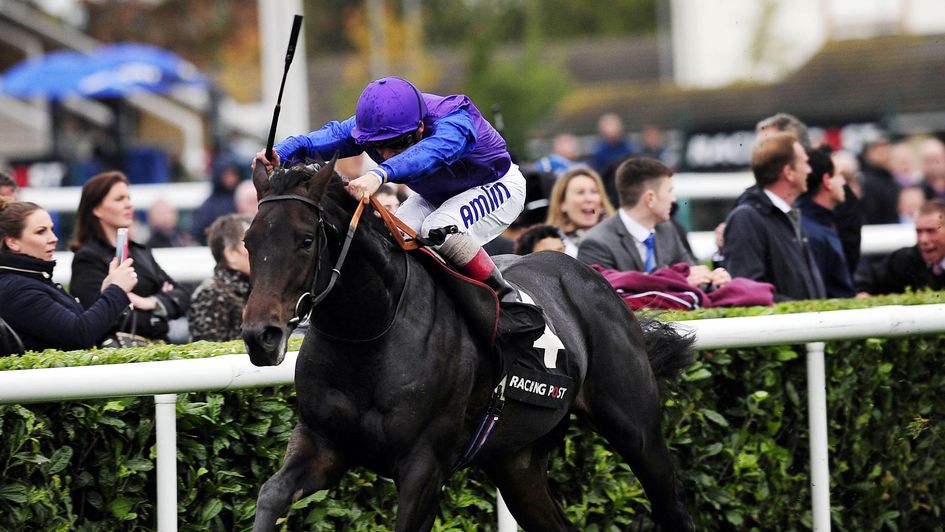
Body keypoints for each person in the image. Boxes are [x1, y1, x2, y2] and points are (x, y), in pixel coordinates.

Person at [254, 76, 528, 303]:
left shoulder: (455, 121)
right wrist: (281, 152)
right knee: (390, 242)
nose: (386, 153)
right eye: (377, 146)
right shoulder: (377, 127)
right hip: (436, 197)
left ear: (420, 127)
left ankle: (507, 301)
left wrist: (379, 174)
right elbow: (328, 137)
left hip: (497, 185)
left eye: (397, 143)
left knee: (439, 228)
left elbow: (432, 153)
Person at [0, 197, 138, 352]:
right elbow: (79, 335)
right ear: (12, 242)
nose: (53, 239)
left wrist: (108, 292)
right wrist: (116, 290)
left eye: (51, 229)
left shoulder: (32, 278)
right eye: (41, 232)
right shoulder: (17, 289)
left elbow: (85, 330)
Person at [70, 171, 190, 343]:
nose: (129, 205)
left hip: (159, 348)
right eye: (119, 199)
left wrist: (148, 302)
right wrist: (159, 317)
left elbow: (182, 295)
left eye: (128, 198)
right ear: (96, 209)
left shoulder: (141, 251)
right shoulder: (87, 259)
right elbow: (100, 316)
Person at [578, 157, 730, 289]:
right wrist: (677, 283)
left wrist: (714, 281)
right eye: (669, 191)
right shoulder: (595, 244)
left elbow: (694, 278)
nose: (673, 199)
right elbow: (606, 303)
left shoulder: (667, 230)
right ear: (650, 198)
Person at [722, 132, 825, 302]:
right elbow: (748, 292)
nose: (809, 170)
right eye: (805, 163)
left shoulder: (790, 215)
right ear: (788, 172)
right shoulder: (746, 219)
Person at [797, 146, 855, 298]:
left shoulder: (816, 224)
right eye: (839, 175)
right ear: (827, 181)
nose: (843, 182)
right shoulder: (811, 232)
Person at [855, 200, 945, 294]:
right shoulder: (904, 260)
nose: (923, 239)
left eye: (931, 231)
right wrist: (862, 292)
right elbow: (865, 280)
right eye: (918, 231)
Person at [189, 214, 253, 342]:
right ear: (231, 254)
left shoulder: (262, 291)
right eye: (252, 243)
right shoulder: (210, 294)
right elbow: (206, 353)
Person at [545, 166, 615, 257]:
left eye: (594, 192)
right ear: (562, 203)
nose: (589, 199)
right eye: (580, 192)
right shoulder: (548, 247)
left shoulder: (620, 237)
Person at [191, 155, 241, 245]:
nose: (231, 179)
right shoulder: (209, 206)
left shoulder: (242, 197)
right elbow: (198, 232)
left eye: (233, 174)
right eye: (227, 175)